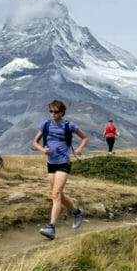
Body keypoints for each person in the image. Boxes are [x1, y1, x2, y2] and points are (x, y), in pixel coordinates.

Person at [32, 99, 89, 240]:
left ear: (62, 112)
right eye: (51, 111)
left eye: (56, 112)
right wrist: (42, 150)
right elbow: (35, 142)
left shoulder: (69, 125)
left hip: (64, 162)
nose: (53, 114)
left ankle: (51, 228)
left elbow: (84, 137)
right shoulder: (45, 125)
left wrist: (79, 149)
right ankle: (76, 212)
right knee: (58, 194)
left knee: (56, 194)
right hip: (51, 163)